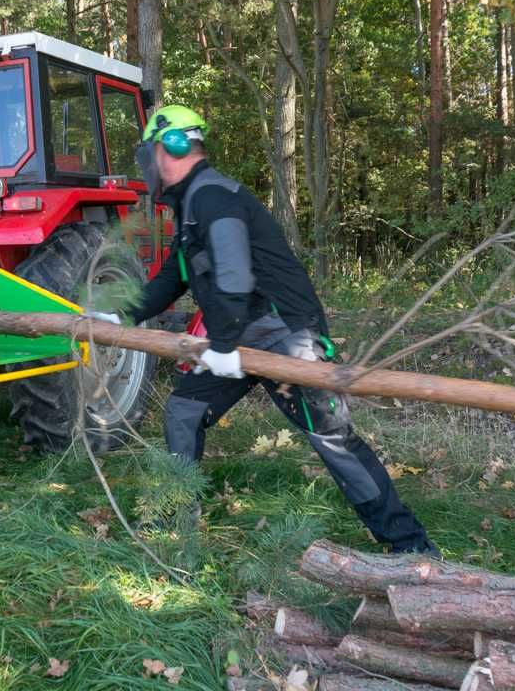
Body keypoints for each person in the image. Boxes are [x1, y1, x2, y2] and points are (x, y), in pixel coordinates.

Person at [93, 104, 438, 556]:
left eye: (151, 152)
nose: (149, 164)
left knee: (332, 437)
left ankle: (411, 547)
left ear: (171, 147)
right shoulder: (192, 208)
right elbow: (174, 277)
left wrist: (221, 345)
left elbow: (234, 272)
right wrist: (124, 316)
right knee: (183, 413)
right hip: (236, 338)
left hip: (286, 335)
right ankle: (181, 521)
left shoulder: (214, 197)